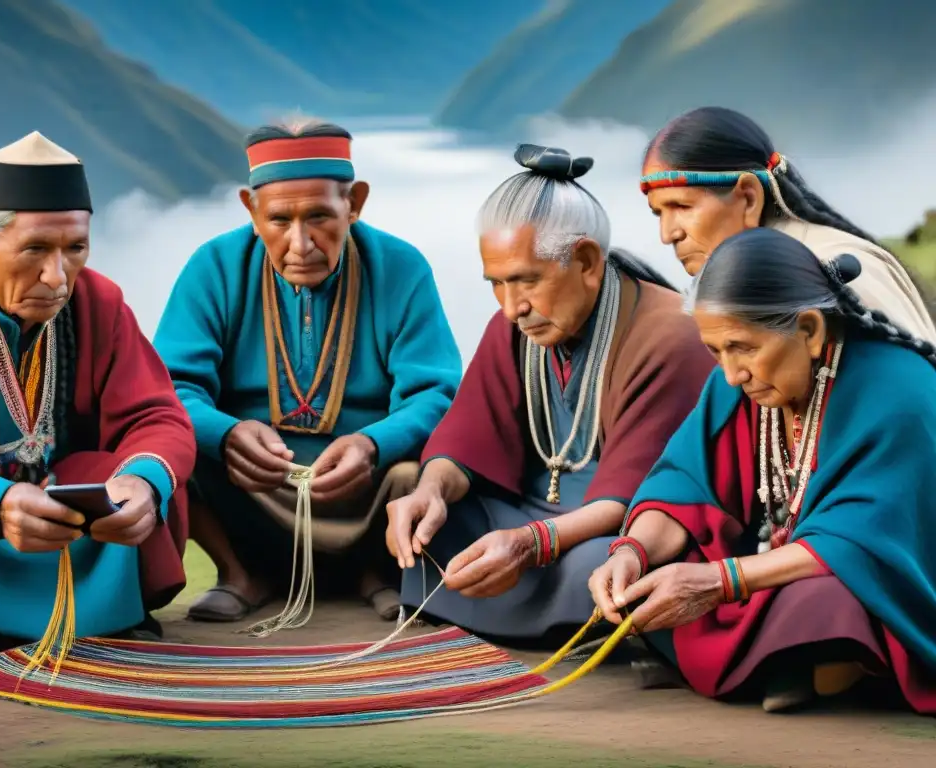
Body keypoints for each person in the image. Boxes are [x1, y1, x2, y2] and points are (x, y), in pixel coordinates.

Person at [589, 227, 936, 714]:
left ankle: (805, 658)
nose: (731, 374)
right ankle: (798, 663)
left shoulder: (902, 391)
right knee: (640, 573)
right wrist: (632, 551)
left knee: (833, 600)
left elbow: (864, 542)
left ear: (811, 331)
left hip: (864, 579)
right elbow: (685, 486)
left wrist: (721, 582)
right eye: (716, 351)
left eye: (744, 348)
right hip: (766, 566)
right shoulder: (738, 384)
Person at [386, 144, 716, 644]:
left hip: (613, 527)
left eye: (526, 281)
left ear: (585, 261)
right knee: (433, 519)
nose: (511, 306)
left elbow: (638, 497)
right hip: (529, 512)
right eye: (496, 284)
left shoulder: (669, 335)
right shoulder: (516, 326)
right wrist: (431, 490)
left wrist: (529, 544)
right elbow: (468, 439)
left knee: (603, 564)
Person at [153, 117, 461, 624]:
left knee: (416, 471)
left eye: (319, 216)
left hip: (367, 484)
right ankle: (239, 573)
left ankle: (379, 572)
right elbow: (168, 389)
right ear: (251, 211)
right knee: (173, 454)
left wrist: (372, 444)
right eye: (278, 220)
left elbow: (436, 392)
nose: (300, 243)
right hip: (250, 481)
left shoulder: (401, 268)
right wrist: (226, 434)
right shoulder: (214, 268)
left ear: (354, 203)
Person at [0, 132, 195, 680]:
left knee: (141, 474)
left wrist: (141, 484)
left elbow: (158, 418)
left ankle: (102, 618)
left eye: (76, 249)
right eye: (36, 249)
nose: (58, 277)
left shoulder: (100, 301)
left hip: (53, 508)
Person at [639, 106, 935, 342]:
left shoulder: (835, 273)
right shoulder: (750, 282)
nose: (668, 234)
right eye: (658, 213)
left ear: (748, 198)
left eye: (681, 206)